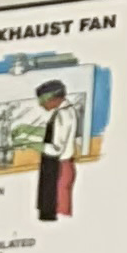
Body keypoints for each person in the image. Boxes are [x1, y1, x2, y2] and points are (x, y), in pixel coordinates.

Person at [33, 75, 82, 222]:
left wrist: (32, 145)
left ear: (53, 98)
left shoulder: (62, 115)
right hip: (62, 166)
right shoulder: (67, 111)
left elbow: (56, 149)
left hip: (58, 169)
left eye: (42, 101)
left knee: (58, 211)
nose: (41, 105)